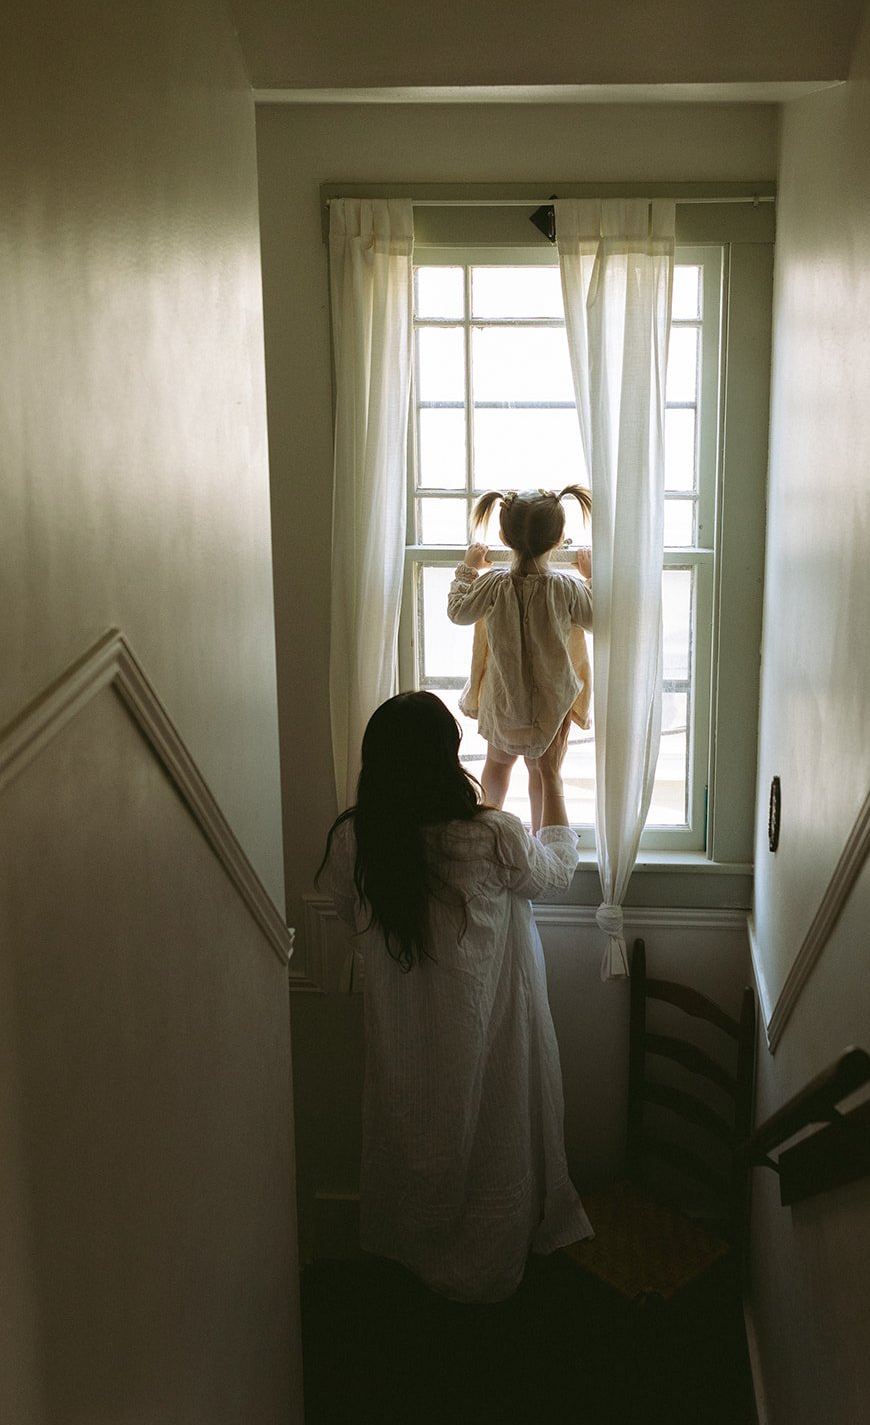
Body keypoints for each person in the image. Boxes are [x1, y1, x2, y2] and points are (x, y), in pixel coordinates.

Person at [316, 691, 592, 1304]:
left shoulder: (356, 840)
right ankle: (488, 1275)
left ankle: (417, 1269)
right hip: (484, 1033)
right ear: (447, 758)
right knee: (491, 1139)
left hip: (406, 1036)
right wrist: (548, 776)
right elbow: (556, 872)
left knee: (414, 1132)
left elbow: (347, 915)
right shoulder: (492, 837)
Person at [447, 484, 593, 829]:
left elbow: (458, 612)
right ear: (559, 539)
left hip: (504, 700)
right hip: (550, 705)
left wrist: (468, 568)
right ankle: (542, 842)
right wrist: (591, 577)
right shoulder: (566, 587)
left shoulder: (492, 584)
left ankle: (486, 833)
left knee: (498, 765)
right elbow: (596, 619)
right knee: (543, 773)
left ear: (503, 537)